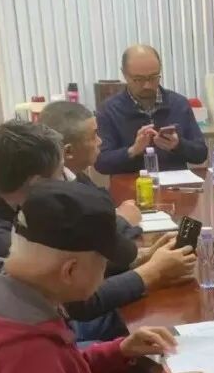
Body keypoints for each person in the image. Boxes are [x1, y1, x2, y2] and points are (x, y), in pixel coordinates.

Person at [0, 180, 214, 373]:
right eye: (103, 264)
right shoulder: (28, 357)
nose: (106, 271)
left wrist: (119, 351)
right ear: (70, 271)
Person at [0, 121, 195, 341]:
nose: (67, 179)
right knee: (131, 323)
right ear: (37, 183)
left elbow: (71, 266)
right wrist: (153, 273)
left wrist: (140, 258)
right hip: (33, 341)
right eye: (60, 171)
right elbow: (76, 303)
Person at [40, 100, 143, 273]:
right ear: (68, 151)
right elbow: (88, 252)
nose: (100, 141)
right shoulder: (52, 199)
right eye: (94, 136)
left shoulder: (76, 176)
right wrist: (123, 220)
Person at [95, 44, 208, 174]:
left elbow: (201, 154)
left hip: (175, 183)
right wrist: (133, 151)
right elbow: (101, 163)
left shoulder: (179, 104)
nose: (147, 85)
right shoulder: (109, 110)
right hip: (131, 183)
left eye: (153, 77)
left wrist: (178, 145)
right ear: (124, 74)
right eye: (138, 79)